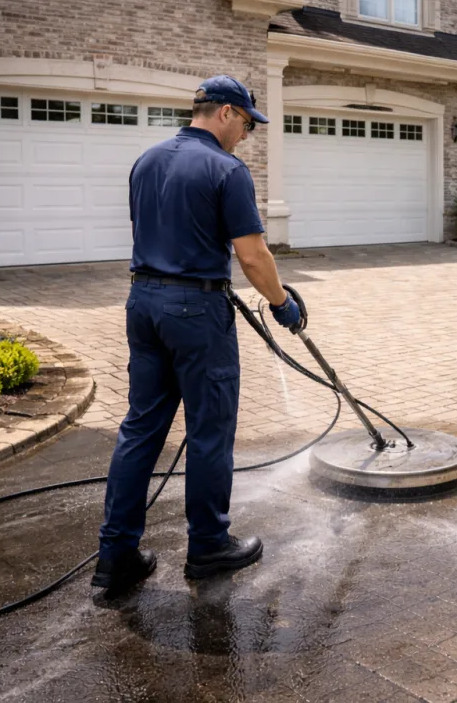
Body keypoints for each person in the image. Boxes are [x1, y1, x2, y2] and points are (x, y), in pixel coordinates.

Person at [92, 75, 302, 590]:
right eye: (248, 125)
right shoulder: (226, 169)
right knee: (209, 431)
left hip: (143, 302)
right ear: (227, 112)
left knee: (140, 427)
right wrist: (283, 304)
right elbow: (252, 255)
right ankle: (208, 546)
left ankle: (115, 554)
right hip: (195, 312)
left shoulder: (147, 160)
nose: (246, 136)